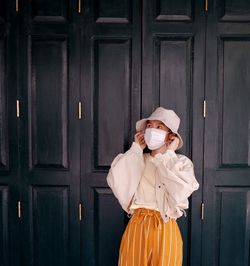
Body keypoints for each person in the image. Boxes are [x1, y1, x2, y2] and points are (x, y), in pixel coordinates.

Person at [106, 107, 199, 266]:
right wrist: (136, 149)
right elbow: (116, 179)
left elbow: (180, 190)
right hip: (138, 224)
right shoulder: (137, 159)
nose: (151, 130)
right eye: (149, 125)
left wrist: (169, 153)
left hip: (165, 226)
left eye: (159, 127)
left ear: (171, 135)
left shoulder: (181, 163)